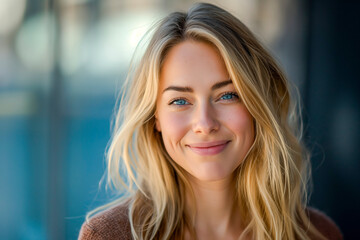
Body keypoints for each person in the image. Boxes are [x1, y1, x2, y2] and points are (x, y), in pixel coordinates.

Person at [78, 3, 342, 240]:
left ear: (257, 105)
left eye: (227, 95)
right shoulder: (110, 235)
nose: (205, 123)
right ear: (154, 117)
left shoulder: (316, 233)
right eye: (180, 101)